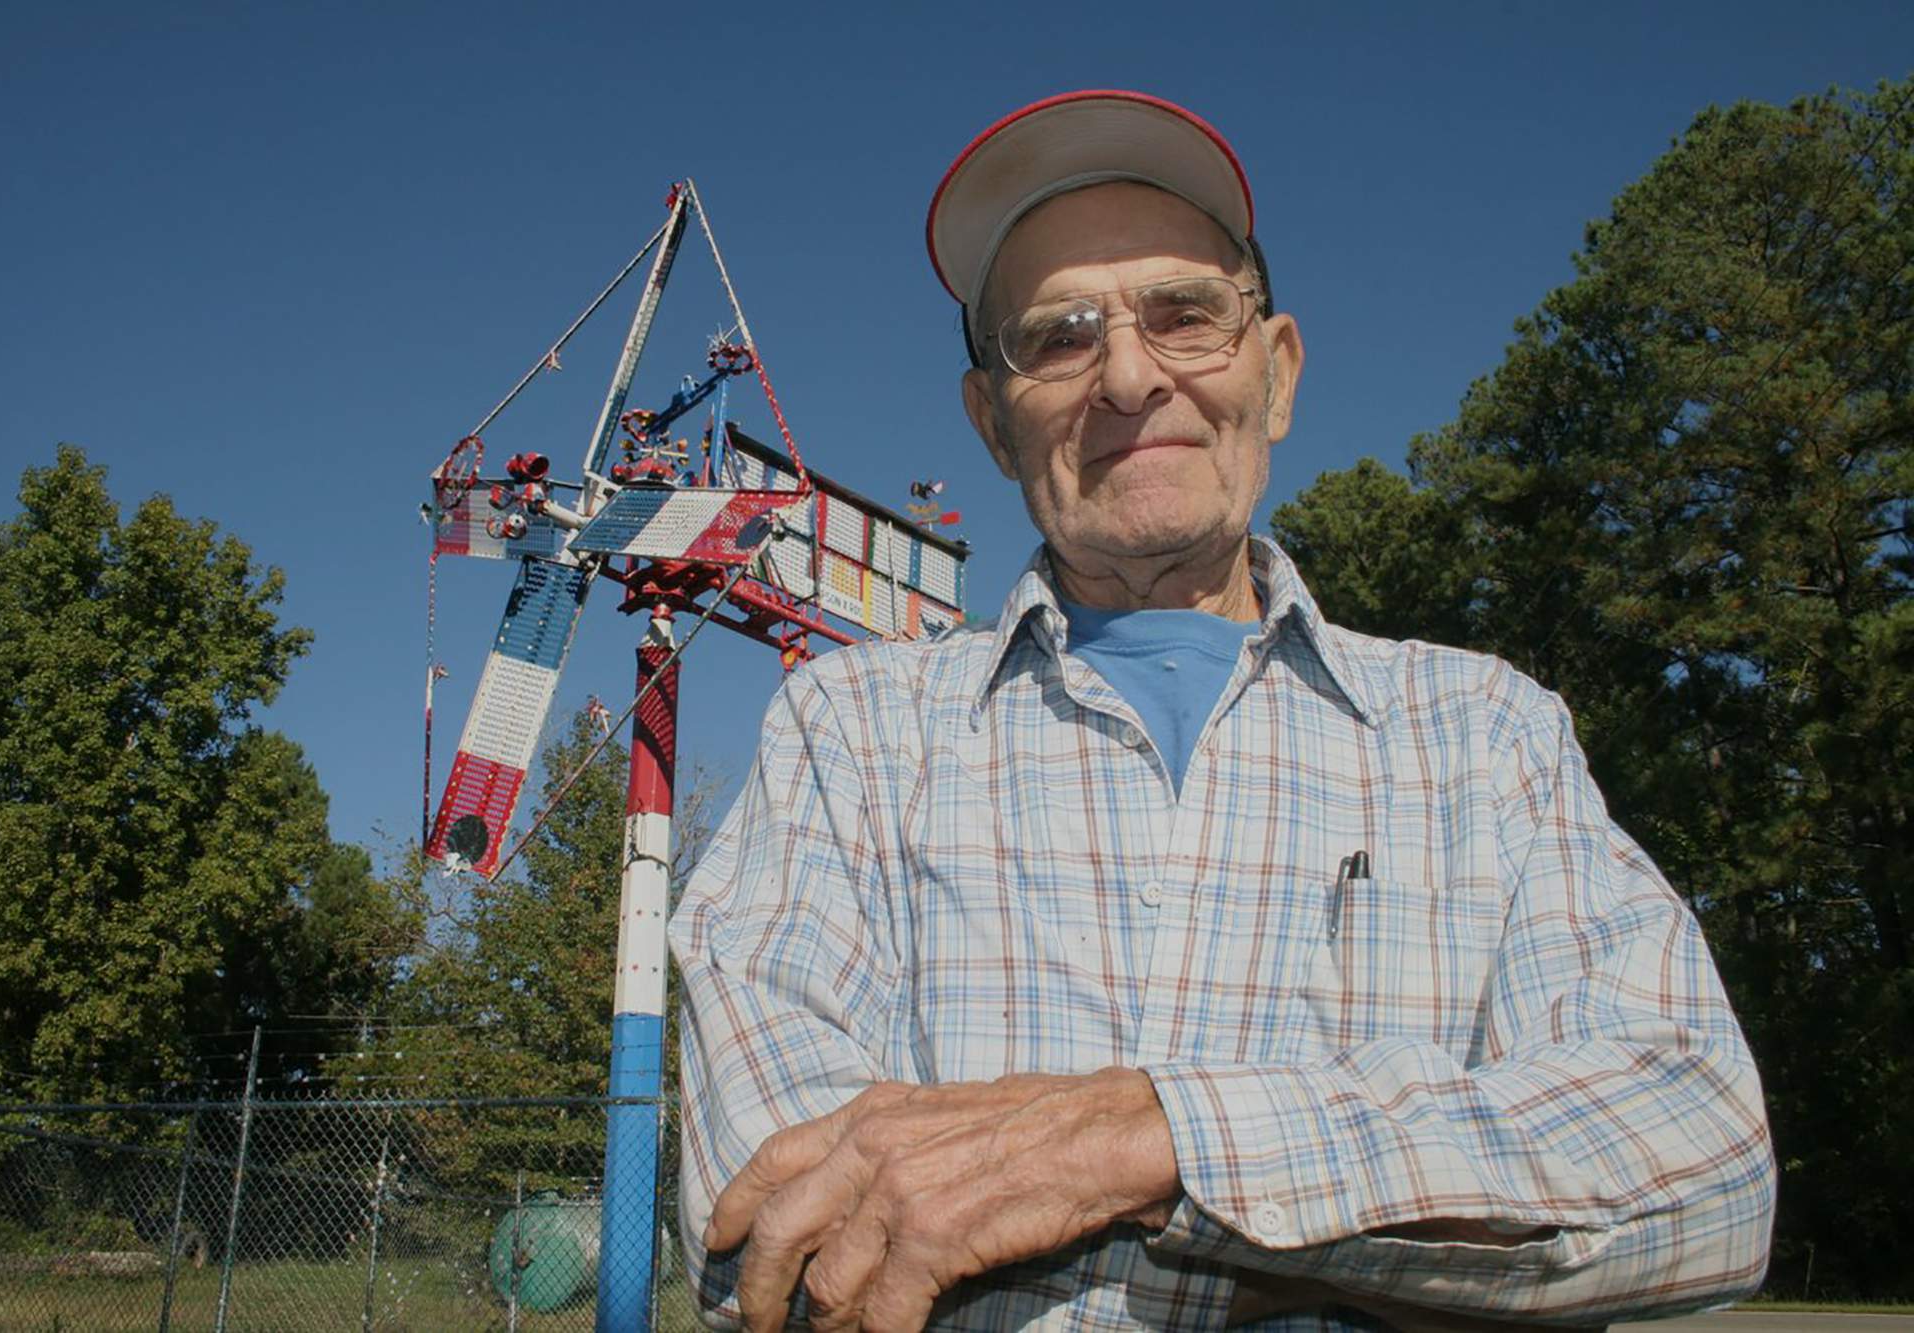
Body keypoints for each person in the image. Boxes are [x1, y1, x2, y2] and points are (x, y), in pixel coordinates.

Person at [668, 90, 1775, 1331]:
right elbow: (762, 1222)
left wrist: (1142, 1143)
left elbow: (1701, 1162)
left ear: (1277, 370)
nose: (1130, 378)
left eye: (1184, 315)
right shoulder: (848, 734)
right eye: (1059, 337)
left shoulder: (1486, 733)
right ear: (990, 419)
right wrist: (1373, 1217)